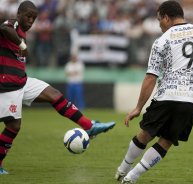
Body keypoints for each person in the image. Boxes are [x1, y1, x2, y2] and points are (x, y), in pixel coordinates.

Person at [0, 1, 115, 174]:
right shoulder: (12, 25)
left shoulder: (22, 31)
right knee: (14, 126)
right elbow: (4, 29)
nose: (31, 21)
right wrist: (22, 45)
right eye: (28, 17)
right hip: (7, 85)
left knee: (54, 95)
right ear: (18, 14)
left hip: (21, 81)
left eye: (34, 18)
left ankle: (88, 126)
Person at [114, 1, 193, 183]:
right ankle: (132, 177)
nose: (159, 24)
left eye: (159, 19)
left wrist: (138, 107)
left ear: (167, 17)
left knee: (145, 133)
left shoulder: (162, 40)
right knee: (167, 141)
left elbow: (150, 77)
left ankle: (123, 168)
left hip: (168, 94)